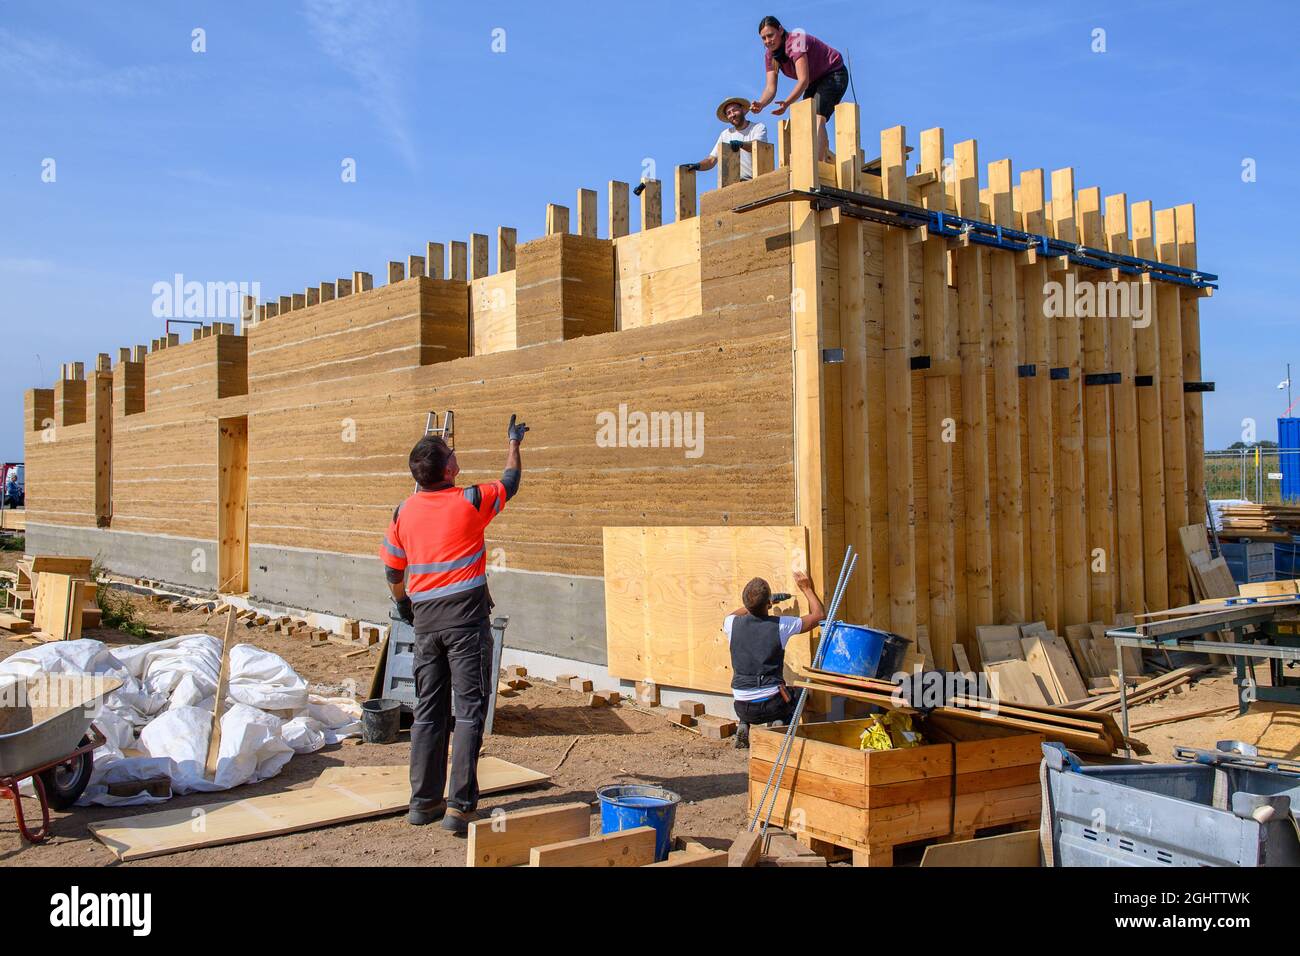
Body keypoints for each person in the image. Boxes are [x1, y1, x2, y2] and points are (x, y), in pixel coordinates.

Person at [380, 414, 528, 835]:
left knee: (427, 712)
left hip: (426, 625)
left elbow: (392, 570)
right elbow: (510, 483)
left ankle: (422, 803)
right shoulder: (470, 501)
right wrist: (513, 442)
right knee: (467, 715)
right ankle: (459, 809)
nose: (456, 452)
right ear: (447, 469)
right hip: (465, 625)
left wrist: (404, 604)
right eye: (451, 452)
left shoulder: (403, 511)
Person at [724, 571, 824, 749]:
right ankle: (781, 722)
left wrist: (757, 604)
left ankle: (744, 724)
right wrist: (806, 588)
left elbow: (735, 614)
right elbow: (818, 616)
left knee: (749, 692)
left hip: (742, 706)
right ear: (768, 603)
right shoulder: (780, 625)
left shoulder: (731, 623)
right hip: (774, 705)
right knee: (799, 694)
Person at [750, 16, 849, 162]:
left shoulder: (796, 42)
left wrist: (787, 103)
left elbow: (803, 80)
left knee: (816, 117)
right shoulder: (770, 56)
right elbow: (770, 88)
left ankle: (818, 165)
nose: (767, 41)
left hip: (833, 73)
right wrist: (761, 103)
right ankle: (822, 158)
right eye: (763, 38)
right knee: (806, 119)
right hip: (815, 80)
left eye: (770, 35)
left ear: (780, 30)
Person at [687, 96, 769, 182]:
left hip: (758, 179)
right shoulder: (725, 134)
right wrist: (697, 166)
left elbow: (758, 146)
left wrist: (741, 144)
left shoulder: (758, 127)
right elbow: (711, 160)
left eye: (734, 110)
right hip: (735, 183)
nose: (732, 115)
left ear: (743, 110)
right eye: (729, 113)